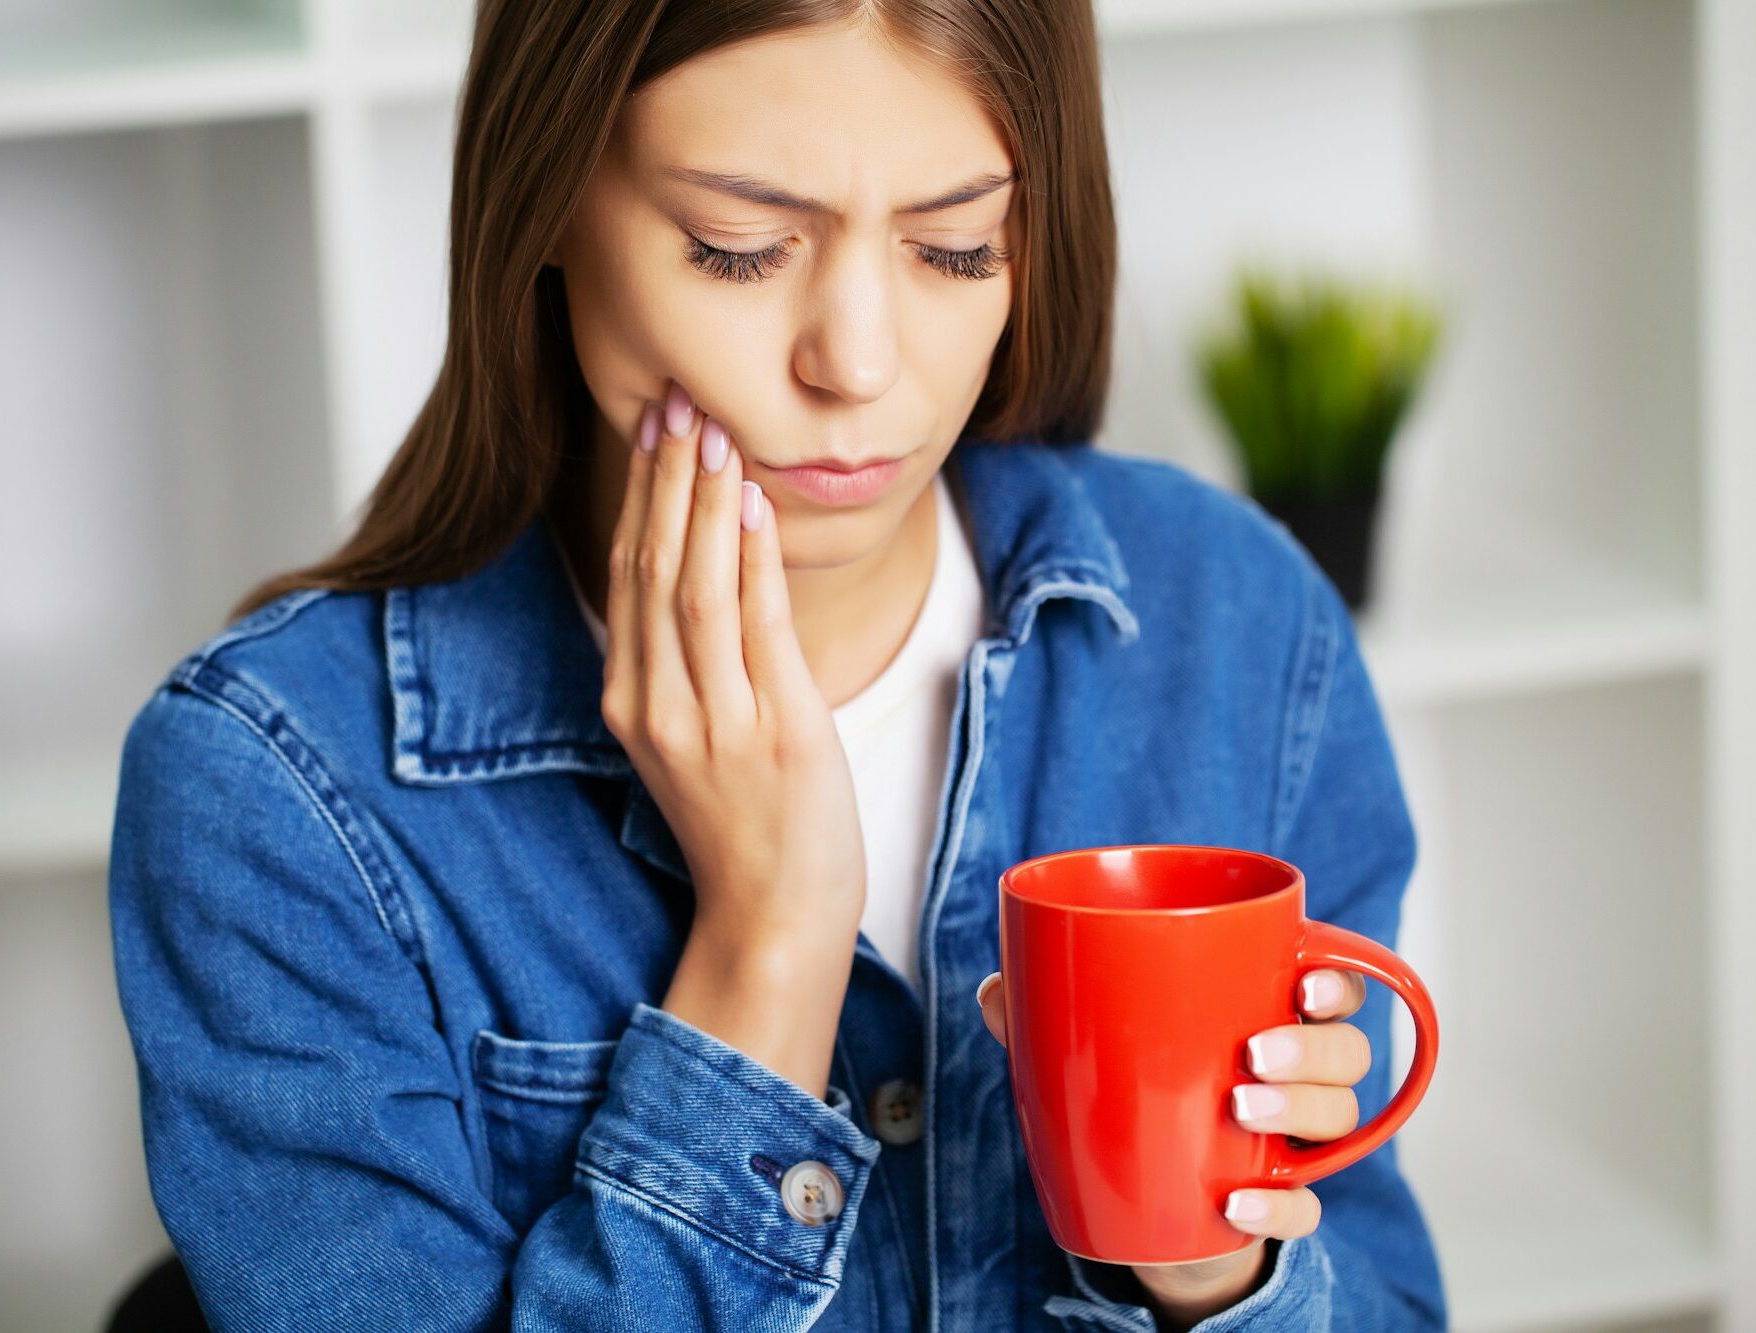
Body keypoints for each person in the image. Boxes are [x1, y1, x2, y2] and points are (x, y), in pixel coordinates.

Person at [106, 1, 1448, 1328]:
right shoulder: (273, 787)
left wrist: (1218, 1271)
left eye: (954, 246)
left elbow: (1384, 1296)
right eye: (736, 250)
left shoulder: (1234, 618)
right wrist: (768, 944)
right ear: (548, 202)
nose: (858, 364)